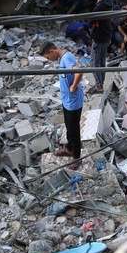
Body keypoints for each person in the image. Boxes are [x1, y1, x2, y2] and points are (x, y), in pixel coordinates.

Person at [39, 42, 84, 170]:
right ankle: (69, 148)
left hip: (73, 101)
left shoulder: (66, 58)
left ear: (51, 51)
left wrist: (73, 86)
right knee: (69, 126)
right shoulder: (62, 58)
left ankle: (77, 157)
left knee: (74, 129)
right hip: (67, 101)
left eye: (48, 57)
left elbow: (79, 72)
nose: (50, 60)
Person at [88, 0, 115, 93]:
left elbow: (91, 21)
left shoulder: (100, 6)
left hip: (99, 37)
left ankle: (99, 86)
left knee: (94, 63)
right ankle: (100, 84)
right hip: (106, 36)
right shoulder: (108, 1)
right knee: (101, 61)